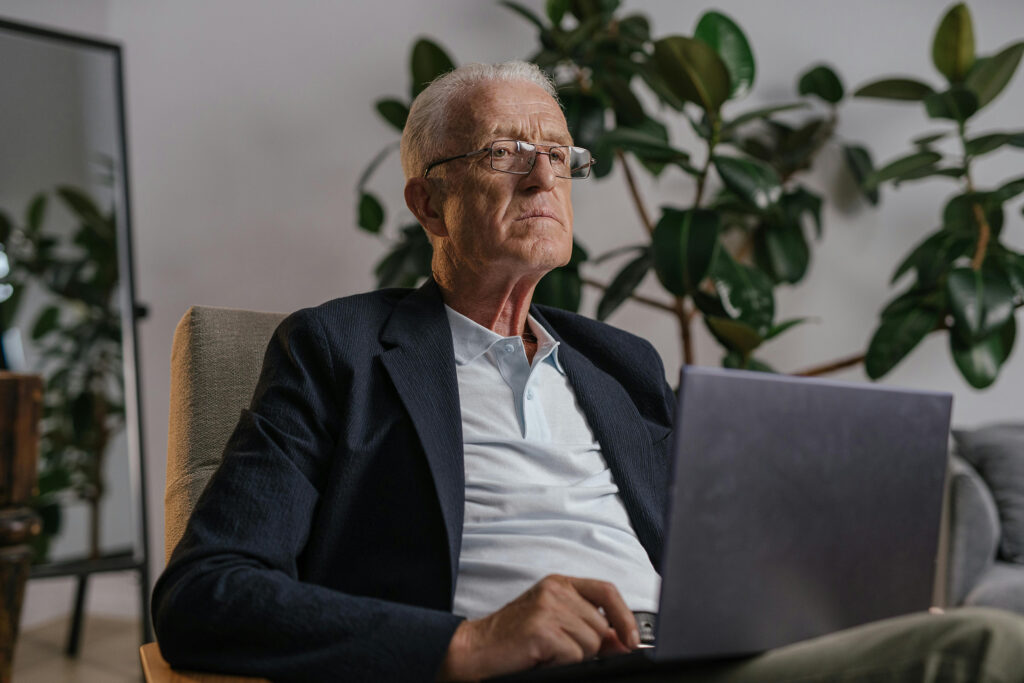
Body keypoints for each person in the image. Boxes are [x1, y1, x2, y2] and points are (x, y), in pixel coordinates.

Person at [152, 61, 1024, 683]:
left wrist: (843, 600)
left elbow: (725, 559)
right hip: (517, 668)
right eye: (504, 151)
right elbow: (206, 591)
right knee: (988, 652)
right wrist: (465, 643)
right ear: (428, 201)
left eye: (560, 155)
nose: (544, 174)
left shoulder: (621, 363)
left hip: (688, 653)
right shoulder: (336, 348)